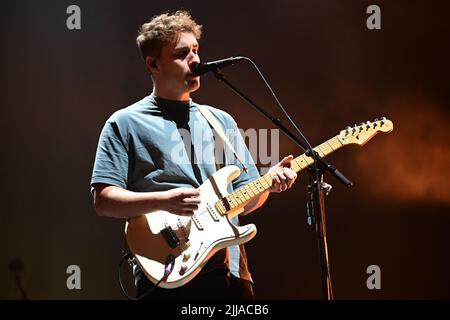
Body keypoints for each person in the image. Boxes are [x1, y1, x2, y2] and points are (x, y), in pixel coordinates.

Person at [90, 10, 297, 300]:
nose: (196, 60)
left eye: (196, 51)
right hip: (166, 268)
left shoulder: (220, 121)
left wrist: (269, 184)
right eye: (182, 53)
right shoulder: (124, 123)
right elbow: (104, 200)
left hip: (230, 272)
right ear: (153, 64)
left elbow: (244, 200)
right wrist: (164, 201)